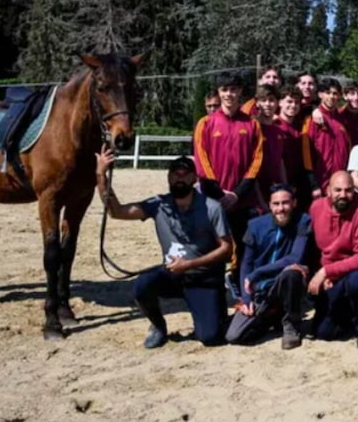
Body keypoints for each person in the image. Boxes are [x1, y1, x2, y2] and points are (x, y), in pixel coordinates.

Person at [95, 150, 231, 348]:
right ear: (168, 177)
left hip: (202, 278)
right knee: (142, 285)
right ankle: (158, 325)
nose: (180, 178)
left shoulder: (212, 208)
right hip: (173, 274)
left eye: (185, 174)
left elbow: (227, 249)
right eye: (175, 174)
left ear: (194, 178)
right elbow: (117, 211)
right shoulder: (158, 204)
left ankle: (213, 307)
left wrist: (190, 264)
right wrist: (101, 175)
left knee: (210, 337)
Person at [193, 72, 265, 296]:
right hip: (213, 201)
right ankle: (211, 293)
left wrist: (237, 193)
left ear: (240, 92)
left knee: (243, 248)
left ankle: (240, 286)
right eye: (225, 89)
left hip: (241, 200)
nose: (229, 94)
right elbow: (201, 159)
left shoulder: (252, 124)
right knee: (213, 248)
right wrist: (217, 192)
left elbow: (257, 160)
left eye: (233, 89)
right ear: (219, 92)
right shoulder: (205, 123)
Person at [225, 184, 311, 349]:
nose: (281, 208)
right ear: (269, 205)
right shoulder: (255, 226)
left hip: (283, 281)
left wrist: (257, 273)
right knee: (234, 336)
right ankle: (269, 317)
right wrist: (246, 298)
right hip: (261, 289)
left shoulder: (303, 221)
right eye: (276, 204)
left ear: (294, 203)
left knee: (293, 272)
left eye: (285, 203)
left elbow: (295, 257)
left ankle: (291, 324)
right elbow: (246, 263)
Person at [307, 171, 358, 348]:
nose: (343, 195)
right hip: (331, 270)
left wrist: (326, 272)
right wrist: (323, 272)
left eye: (348, 190)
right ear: (328, 190)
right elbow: (314, 249)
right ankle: (347, 314)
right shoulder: (316, 208)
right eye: (338, 190)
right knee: (323, 333)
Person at [301, 77, 352, 198]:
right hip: (320, 181)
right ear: (320, 94)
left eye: (335, 93)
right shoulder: (312, 120)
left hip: (339, 183)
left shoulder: (343, 120)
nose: (331, 97)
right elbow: (306, 154)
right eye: (327, 93)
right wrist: (313, 184)